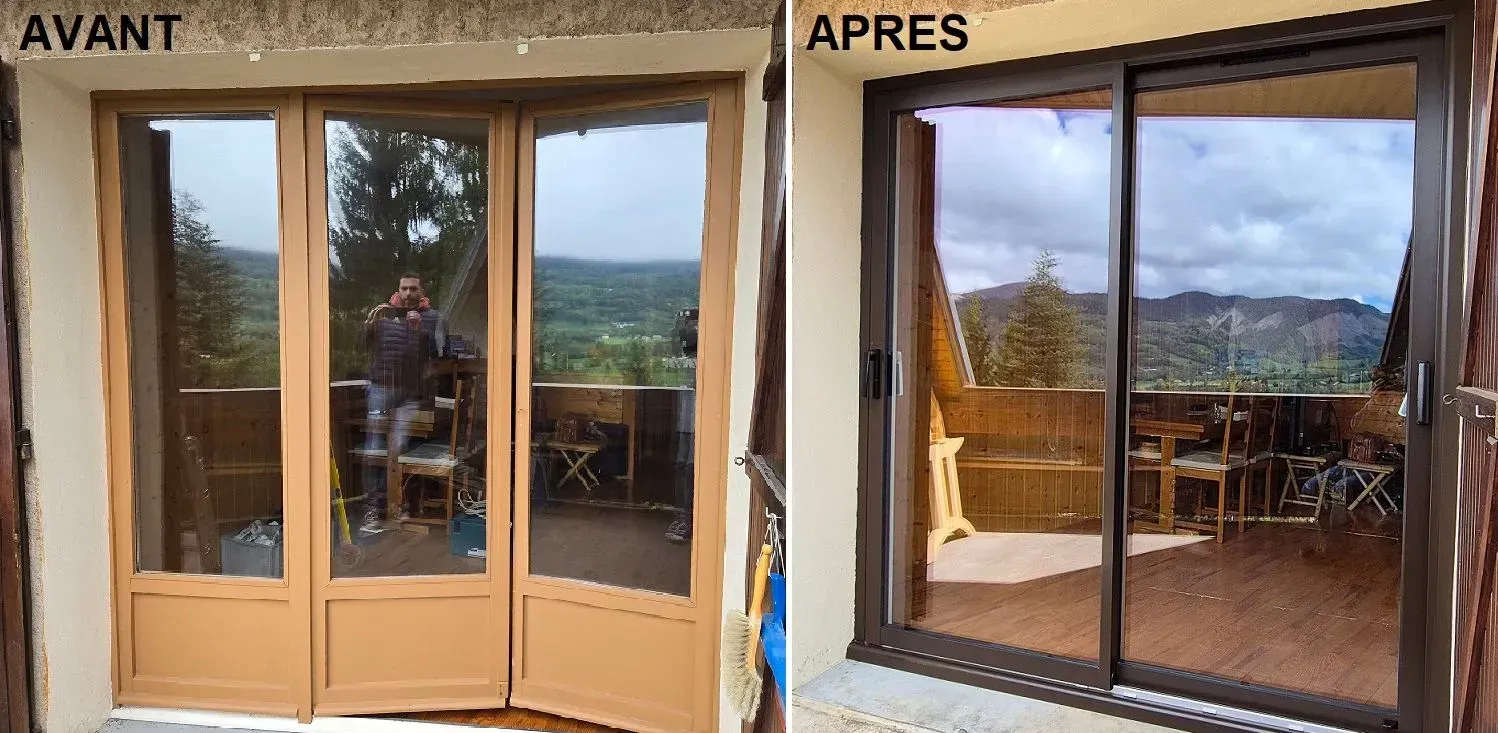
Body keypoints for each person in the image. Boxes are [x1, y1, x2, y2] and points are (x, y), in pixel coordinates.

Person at [359, 272, 446, 534]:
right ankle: (374, 508)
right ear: (398, 290)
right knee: (374, 448)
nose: (408, 293)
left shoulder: (432, 318)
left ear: (422, 291)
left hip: (410, 393)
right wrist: (368, 323)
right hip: (380, 387)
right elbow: (361, 346)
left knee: (402, 449)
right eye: (404, 289)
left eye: (413, 289)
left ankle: (400, 504)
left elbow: (439, 356)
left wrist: (421, 332)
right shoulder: (383, 314)